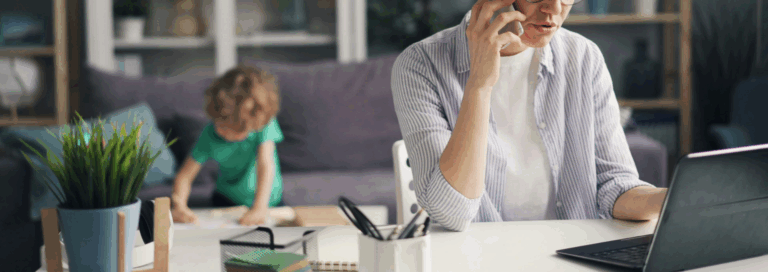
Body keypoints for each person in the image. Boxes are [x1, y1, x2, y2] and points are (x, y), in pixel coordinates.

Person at [391, 0, 668, 232]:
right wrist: (479, 83)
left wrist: (673, 199)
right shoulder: (421, 66)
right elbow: (452, 213)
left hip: (572, 258)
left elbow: (615, 185)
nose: (554, 8)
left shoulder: (584, 57)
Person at [170, 66, 284, 226]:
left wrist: (259, 207)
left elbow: (266, 165)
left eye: (235, 130)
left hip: (269, 201)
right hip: (226, 200)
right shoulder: (210, 134)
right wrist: (179, 206)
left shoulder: (264, 124)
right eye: (220, 125)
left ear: (255, 124)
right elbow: (184, 177)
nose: (225, 133)